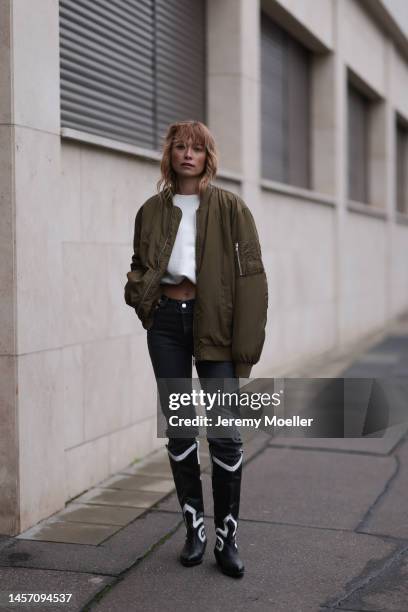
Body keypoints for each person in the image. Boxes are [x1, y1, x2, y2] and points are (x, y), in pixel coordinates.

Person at [124, 120, 268, 578]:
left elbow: (252, 277)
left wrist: (246, 345)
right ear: (170, 154)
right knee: (181, 429)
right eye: (181, 147)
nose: (189, 154)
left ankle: (227, 537)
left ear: (208, 157)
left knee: (224, 433)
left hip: (216, 327)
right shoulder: (151, 210)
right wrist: (138, 294)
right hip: (166, 324)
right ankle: (194, 530)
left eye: (198, 148)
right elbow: (139, 264)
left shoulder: (230, 208)